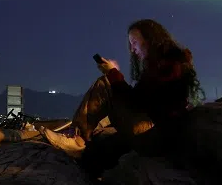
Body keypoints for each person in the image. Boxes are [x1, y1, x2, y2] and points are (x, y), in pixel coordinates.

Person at [42, 19, 203, 175]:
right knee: (103, 147)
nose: (132, 49)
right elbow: (141, 99)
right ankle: (80, 140)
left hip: (155, 136)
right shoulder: (163, 64)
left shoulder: (169, 65)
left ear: (150, 39)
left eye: (134, 42)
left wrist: (113, 73)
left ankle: (76, 138)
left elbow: (138, 102)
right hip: (154, 132)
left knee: (105, 83)